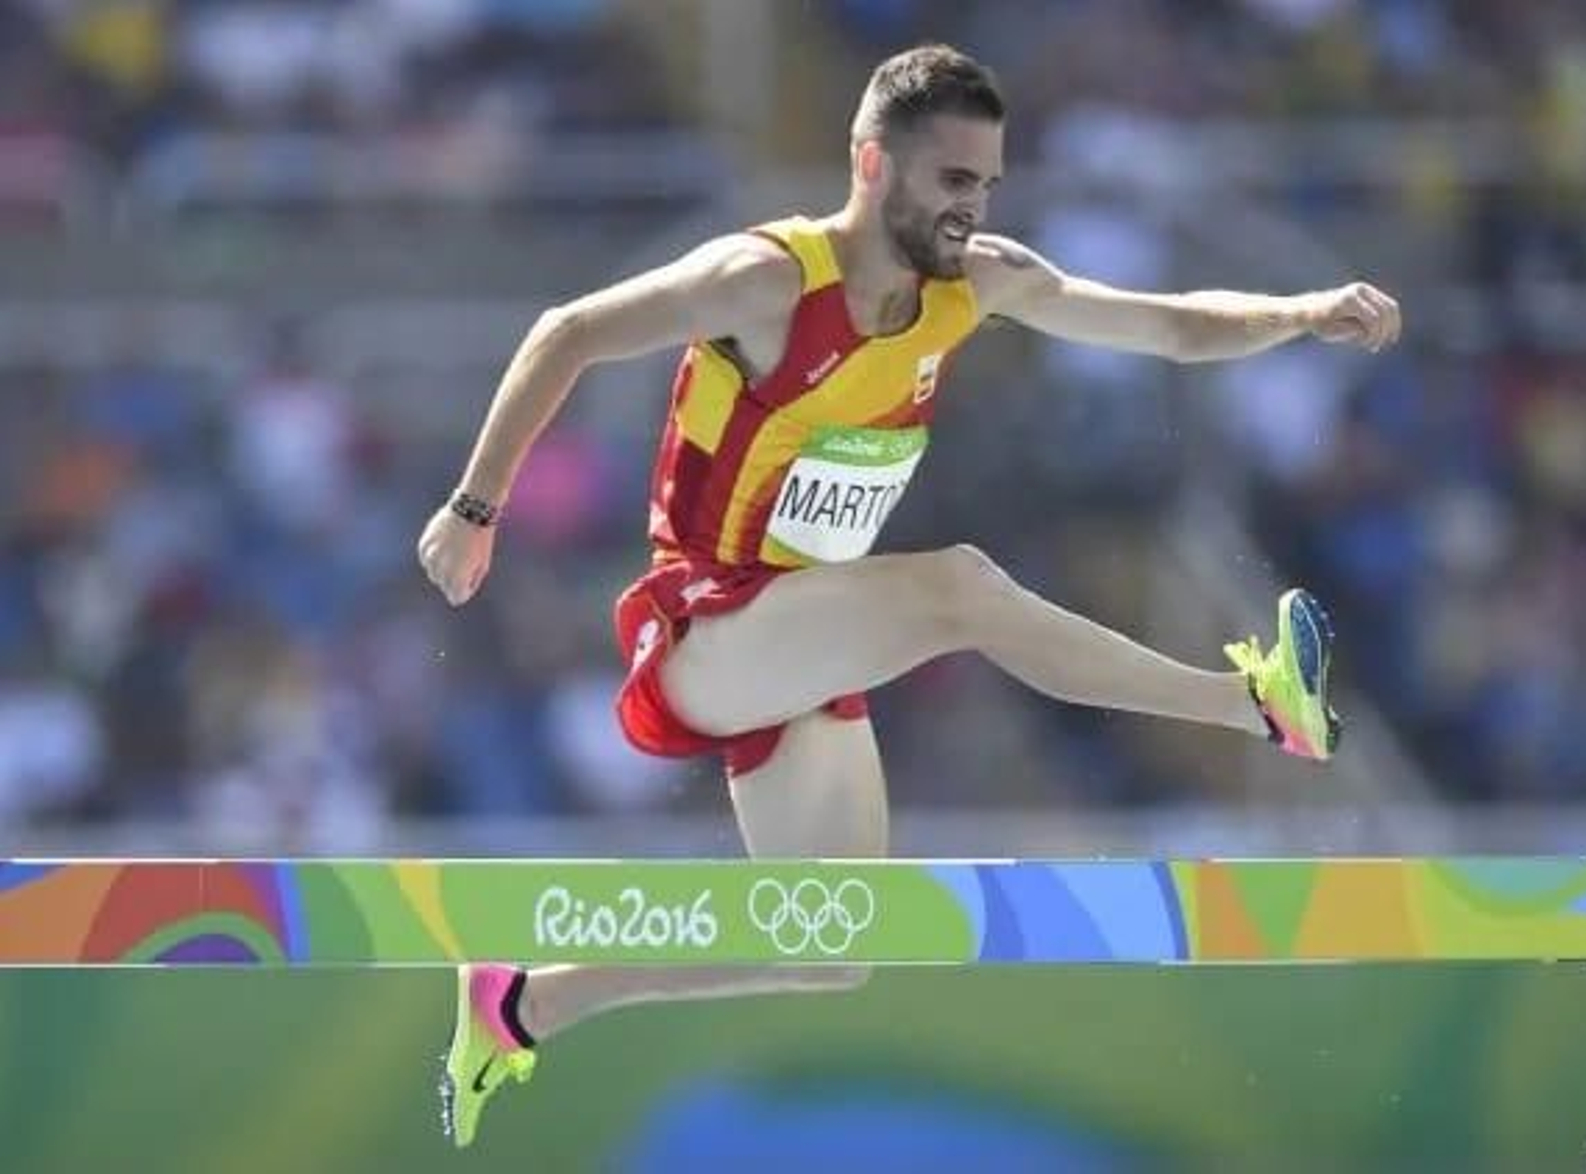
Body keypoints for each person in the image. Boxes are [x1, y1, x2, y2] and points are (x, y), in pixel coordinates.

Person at [417, 44, 1401, 1146]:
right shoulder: (767, 279)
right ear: (872, 164)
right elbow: (570, 331)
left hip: (804, 641)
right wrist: (475, 507)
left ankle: (526, 999)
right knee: (959, 587)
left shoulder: (978, 282)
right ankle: (1253, 704)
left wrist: (1302, 310)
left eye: (985, 183)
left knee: (830, 943)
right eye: (950, 181)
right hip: (707, 623)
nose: (970, 209)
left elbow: (1166, 324)